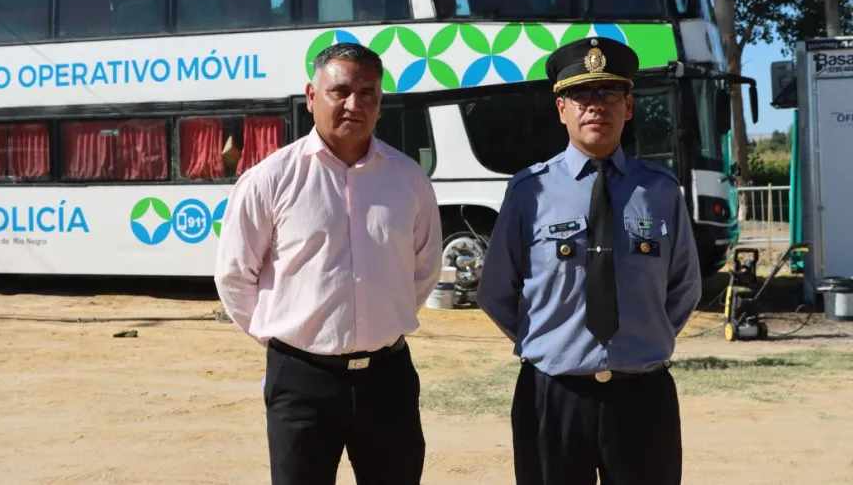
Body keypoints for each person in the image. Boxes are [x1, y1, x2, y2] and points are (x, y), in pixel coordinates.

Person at [214, 42, 444, 485]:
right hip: (301, 383)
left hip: (388, 379)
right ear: (312, 96)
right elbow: (234, 275)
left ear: (380, 102)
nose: (355, 104)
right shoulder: (270, 179)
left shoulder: (408, 178)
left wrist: (380, 320)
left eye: (368, 93)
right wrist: (284, 336)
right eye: (340, 91)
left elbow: (423, 269)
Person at [476, 36, 702, 485]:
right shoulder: (528, 192)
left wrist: (640, 339)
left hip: (642, 397)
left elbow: (683, 288)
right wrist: (551, 342)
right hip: (553, 396)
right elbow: (496, 291)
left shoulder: (660, 191)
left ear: (629, 107)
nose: (595, 105)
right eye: (580, 94)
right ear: (561, 108)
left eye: (609, 93)